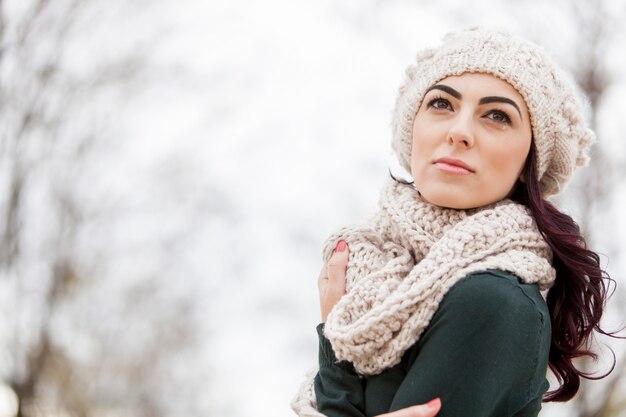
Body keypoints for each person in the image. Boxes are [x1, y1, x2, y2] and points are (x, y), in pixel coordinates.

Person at [291, 27, 618, 417]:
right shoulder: (372, 276)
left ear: (528, 162)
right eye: (441, 104)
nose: (459, 131)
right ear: (411, 127)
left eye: (497, 115)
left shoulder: (493, 299)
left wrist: (337, 349)